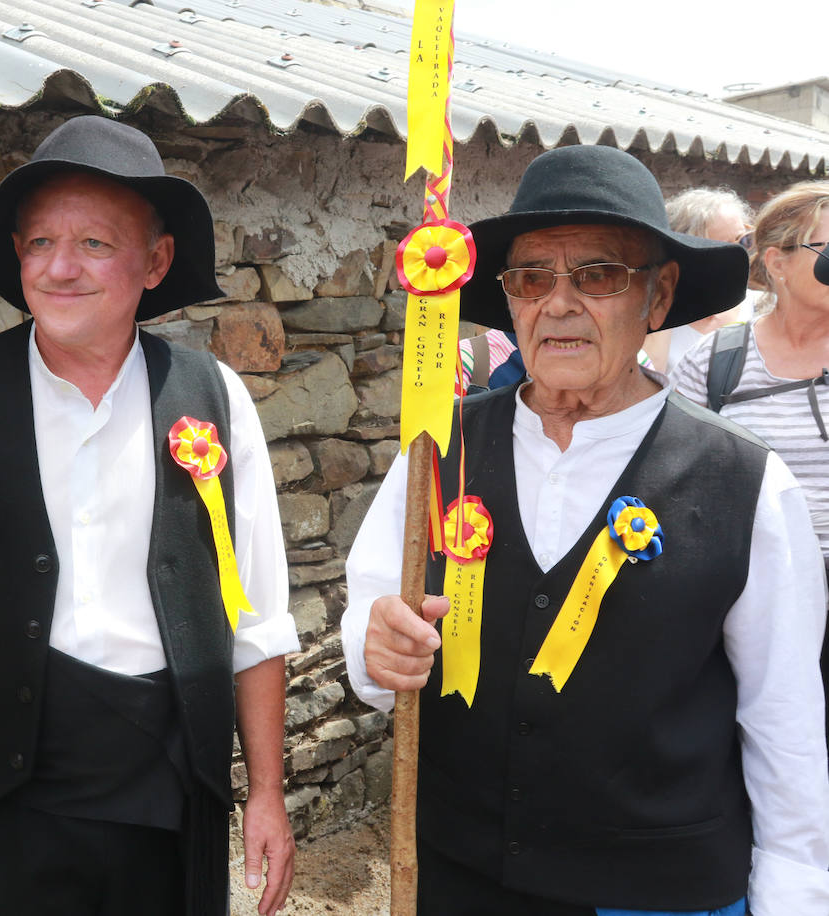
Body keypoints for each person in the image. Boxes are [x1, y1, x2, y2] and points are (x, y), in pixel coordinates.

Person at [342, 145, 829, 914]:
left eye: (596, 275)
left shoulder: (747, 485)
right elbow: (374, 612)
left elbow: (786, 724)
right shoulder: (440, 449)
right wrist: (376, 647)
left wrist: (795, 895)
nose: (558, 305)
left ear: (659, 297)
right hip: (462, 875)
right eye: (532, 279)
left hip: (659, 889)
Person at [0, 116, 298, 916]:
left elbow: (259, 617)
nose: (59, 268)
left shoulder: (215, 398)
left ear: (156, 261)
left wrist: (264, 790)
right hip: (10, 782)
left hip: (172, 777)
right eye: (37, 244)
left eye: (95, 244)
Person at [670, 179, 829, 750]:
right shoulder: (716, 363)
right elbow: (675, 480)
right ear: (777, 263)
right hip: (750, 600)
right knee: (758, 744)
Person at [643, 187, 757, 372]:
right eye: (723, 249)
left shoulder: (762, 307)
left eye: (743, 241)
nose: (740, 257)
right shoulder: (657, 318)